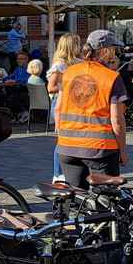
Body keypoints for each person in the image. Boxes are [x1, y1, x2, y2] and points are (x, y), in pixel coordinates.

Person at [53, 30, 129, 184]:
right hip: (100, 149)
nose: (115, 52)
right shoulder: (111, 77)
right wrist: (122, 150)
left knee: (76, 199)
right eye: (114, 48)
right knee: (104, 201)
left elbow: (58, 109)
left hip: (67, 147)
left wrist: (64, 137)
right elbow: (116, 120)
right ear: (106, 52)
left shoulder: (69, 73)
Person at [45, 33, 83, 181]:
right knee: (63, 139)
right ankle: (57, 173)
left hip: (74, 103)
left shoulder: (78, 62)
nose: (79, 47)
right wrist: (69, 86)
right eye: (77, 44)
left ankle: (70, 170)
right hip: (61, 102)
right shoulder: (60, 64)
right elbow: (51, 87)